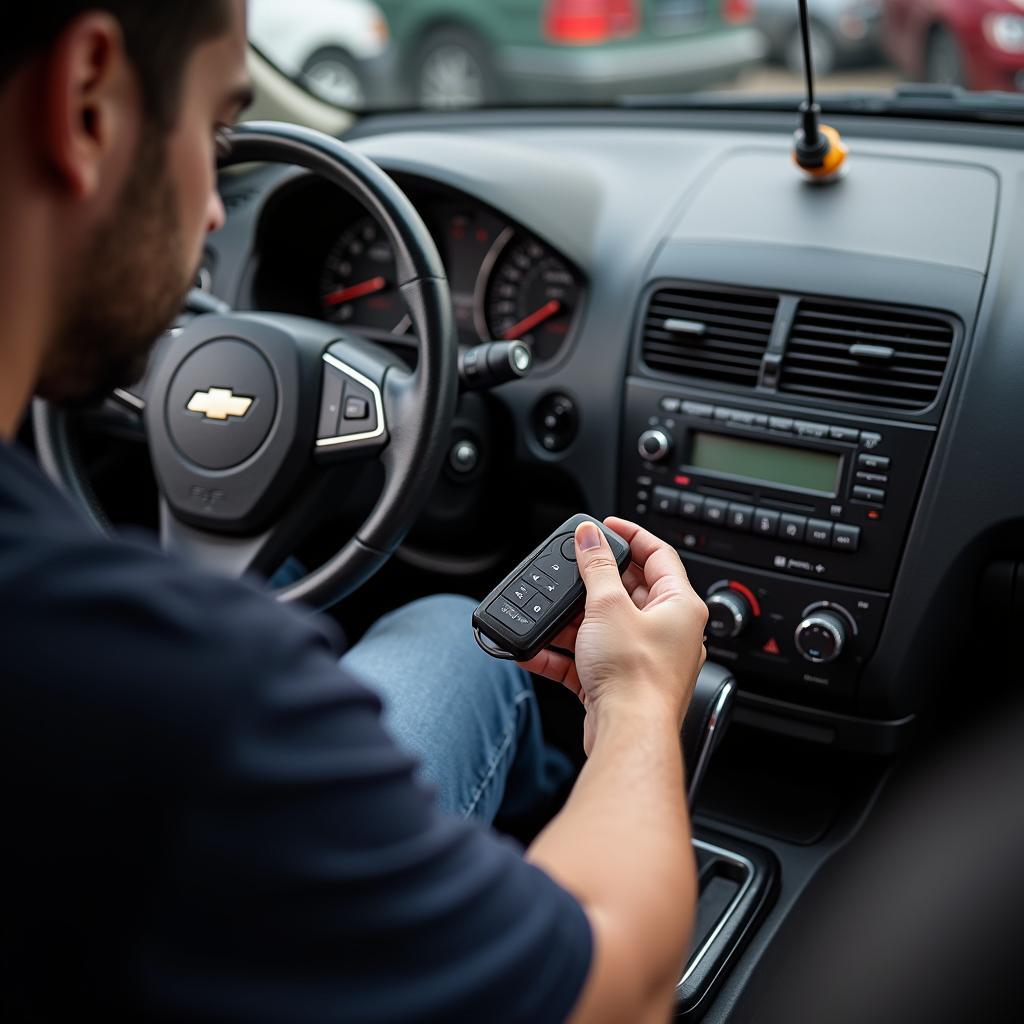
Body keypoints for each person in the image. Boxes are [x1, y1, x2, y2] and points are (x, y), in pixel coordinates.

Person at [0, 2, 709, 1021]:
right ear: (86, 104)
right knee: (451, 633)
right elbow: (623, 987)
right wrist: (639, 701)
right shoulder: (180, 688)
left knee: (314, 590)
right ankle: (465, 915)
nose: (211, 215)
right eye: (214, 131)